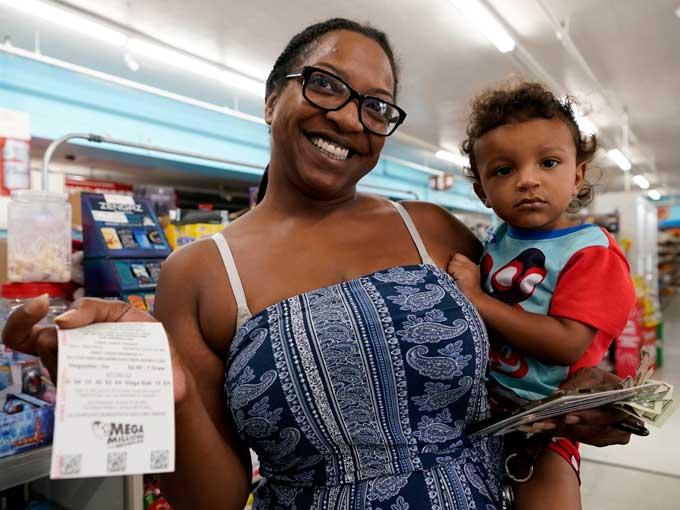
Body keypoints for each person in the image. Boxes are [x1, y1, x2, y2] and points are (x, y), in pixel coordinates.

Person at [3, 19, 637, 510]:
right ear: (271, 100)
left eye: (377, 105)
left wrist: (584, 391)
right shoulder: (199, 273)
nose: (349, 117)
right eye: (326, 84)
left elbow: (526, 349)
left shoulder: (429, 230)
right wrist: (168, 398)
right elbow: (210, 501)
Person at [447, 81, 636, 510]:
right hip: (481, 412)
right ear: (481, 191)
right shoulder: (497, 240)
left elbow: (566, 343)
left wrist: (477, 298)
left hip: (544, 423)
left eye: (548, 163)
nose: (527, 180)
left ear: (578, 175)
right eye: (503, 170)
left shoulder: (590, 251)